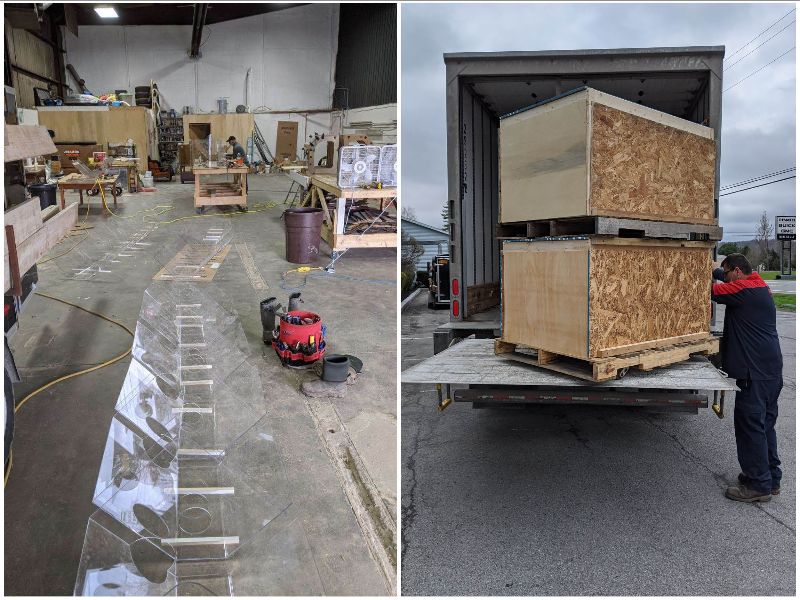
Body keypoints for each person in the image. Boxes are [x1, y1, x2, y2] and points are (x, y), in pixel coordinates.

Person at [712, 253, 783, 503]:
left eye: (728, 273)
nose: (726, 278)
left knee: (750, 428)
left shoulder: (742, 290)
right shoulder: (758, 284)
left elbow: (712, 292)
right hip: (770, 373)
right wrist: (715, 270)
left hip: (754, 375)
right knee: (764, 426)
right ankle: (771, 478)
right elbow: (722, 277)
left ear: (738, 271)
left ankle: (757, 485)